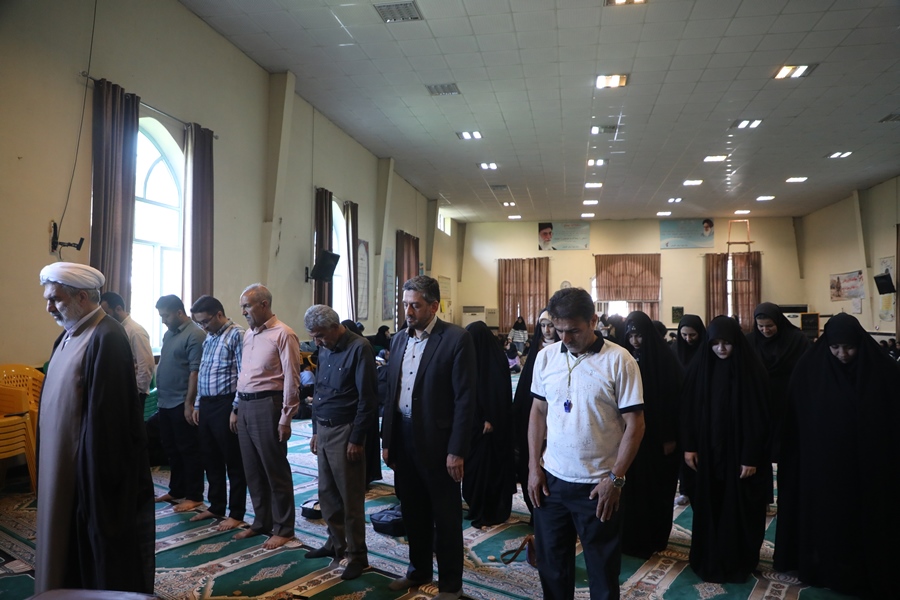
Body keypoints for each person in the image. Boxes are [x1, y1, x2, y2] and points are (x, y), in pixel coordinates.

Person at [35, 262, 155, 594]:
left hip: (83, 476)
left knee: (91, 555)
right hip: (59, 468)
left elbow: (111, 422)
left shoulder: (107, 336)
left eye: (56, 299)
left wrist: (90, 482)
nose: (49, 308)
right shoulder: (67, 335)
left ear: (82, 297)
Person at [528, 288, 645, 599]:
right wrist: (533, 467)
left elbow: (636, 425)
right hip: (552, 481)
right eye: (558, 330)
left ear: (593, 321)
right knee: (552, 566)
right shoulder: (545, 357)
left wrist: (615, 479)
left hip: (597, 485)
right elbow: (538, 412)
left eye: (573, 330)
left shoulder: (619, 360)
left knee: (602, 570)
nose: (565, 338)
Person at [774, 313, 900, 598]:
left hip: (870, 468)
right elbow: (795, 424)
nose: (842, 354)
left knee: (866, 521)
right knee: (829, 522)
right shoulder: (809, 369)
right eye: (835, 347)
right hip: (823, 468)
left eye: (849, 347)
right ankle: (826, 570)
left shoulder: (883, 371)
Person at [382, 275, 476, 600]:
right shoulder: (398, 339)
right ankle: (418, 570)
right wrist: (387, 441)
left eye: (416, 305)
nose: (408, 311)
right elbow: (391, 393)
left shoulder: (456, 339)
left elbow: (465, 399)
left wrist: (457, 450)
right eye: (405, 304)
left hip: (439, 444)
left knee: (445, 518)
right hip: (403, 437)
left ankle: (451, 586)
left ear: (434, 306)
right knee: (412, 511)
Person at [681, 316, 770, 583]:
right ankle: (708, 558)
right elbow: (687, 411)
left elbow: (759, 418)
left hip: (739, 455)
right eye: (715, 343)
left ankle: (737, 561)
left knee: (739, 507)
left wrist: (751, 456)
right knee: (710, 505)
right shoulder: (699, 369)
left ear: (736, 342)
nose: (721, 349)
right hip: (707, 453)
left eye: (727, 343)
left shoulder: (751, 371)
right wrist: (689, 446)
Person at [304, 305, 377, 580]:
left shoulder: (360, 348)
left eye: (320, 335)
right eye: (314, 337)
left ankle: (357, 555)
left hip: (345, 431)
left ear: (335, 327)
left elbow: (367, 399)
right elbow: (319, 390)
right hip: (323, 428)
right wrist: (315, 430)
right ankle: (335, 543)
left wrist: (356, 438)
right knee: (327, 494)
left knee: (350, 498)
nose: (317, 342)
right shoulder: (324, 347)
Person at [232, 283, 301, 549]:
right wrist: (236, 408)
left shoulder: (283, 334)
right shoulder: (249, 335)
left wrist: (286, 417)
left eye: (247, 306)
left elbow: (292, 379)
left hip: (268, 405)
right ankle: (262, 521)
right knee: (252, 469)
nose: (243, 312)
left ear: (264, 305)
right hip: (245, 405)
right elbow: (244, 374)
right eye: (242, 307)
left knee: (274, 469)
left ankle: (284, 528)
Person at [620, 311, 683, 559]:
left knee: (655, 488)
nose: (635, 341)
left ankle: (654, 537)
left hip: (657, 436)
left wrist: (669, 436)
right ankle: (631, 537)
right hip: (631, 435)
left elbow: (672, 403)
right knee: (632, 487)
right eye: (631, 336)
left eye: (639, 336)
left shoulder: (664, 360)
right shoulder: (625, 358)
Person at [189, 294, 247, 530]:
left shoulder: (237, 335)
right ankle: (216, 505)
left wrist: (236, 408)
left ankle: (237, 512)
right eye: (199, 323)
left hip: (226, 404)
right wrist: (197, 404)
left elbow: (243, 374)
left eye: (205, 321)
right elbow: (204, 372)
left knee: (233, 460)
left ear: (219, 314)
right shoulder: (210, 338)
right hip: (207, 404)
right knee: (210, 457)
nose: (203, 327)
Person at [154, 294, 206, 512]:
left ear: (179, 312)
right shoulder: (169, 334)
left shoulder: (195, 334)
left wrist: (189, 404)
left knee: (189, 450)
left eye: (166, 316)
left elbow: (195, 372)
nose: (163, 320)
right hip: (165, 402)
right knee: (171, 449)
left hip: (181, 402)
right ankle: (176, 489)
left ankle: (194, 495)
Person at [463, 321, 515, 528]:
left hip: (491, 431)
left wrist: (490, 418)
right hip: (474, 427)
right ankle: (476, 507)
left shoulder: (495, 360)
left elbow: (499, 395)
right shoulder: (471, 359)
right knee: (472, 472)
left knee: (488, 471)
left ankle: (491, 511)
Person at [745, 302, 809, 465]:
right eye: (760, 326)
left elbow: (806, 370)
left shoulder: (797, 339)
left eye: (769, 326)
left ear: (779, 322)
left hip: (788, 399)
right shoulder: (750, 341)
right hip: (759, 399)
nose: (765, 330)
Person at [512, 308, 558, 518]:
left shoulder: (565, 349)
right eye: (543, 325)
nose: (547, 330)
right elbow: (525, 389)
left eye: (551, 325)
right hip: (534, 413)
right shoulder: (536, 352)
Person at [671, 314, 707, 506]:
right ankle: (685, 489)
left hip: (700, 408)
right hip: (680, 410)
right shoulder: (674, 350)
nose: (688, 339)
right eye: (684, 335)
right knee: (682, 452)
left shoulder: (706, 350)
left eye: (692, 335)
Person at [100, 291, 155, 401]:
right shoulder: (114, 329)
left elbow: (146, 366)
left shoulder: (135, 331)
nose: (104, 317)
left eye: (106, 313)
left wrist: (136, 392)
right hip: (120, 392)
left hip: (132, 394)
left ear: (118, 309)